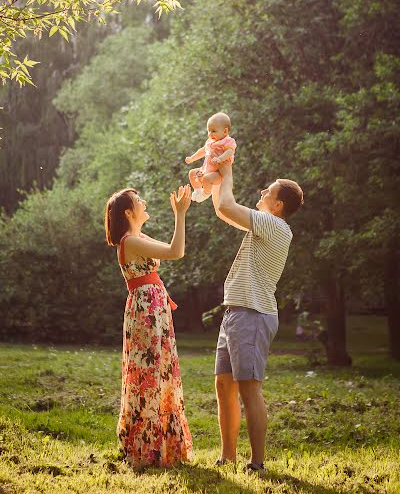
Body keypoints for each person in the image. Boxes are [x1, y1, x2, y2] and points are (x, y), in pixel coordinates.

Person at [211, 163, 303, 473]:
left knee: (249, 389)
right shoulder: (264, 224)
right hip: (236, 312)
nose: (262, 192)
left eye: (269, 190)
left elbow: (226, 204)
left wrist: (228, 168)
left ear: (278, 205)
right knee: (224, 386)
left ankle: (257, 463)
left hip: (253, 313)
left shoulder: (274, 225)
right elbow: (223, 210)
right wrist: (214, 176)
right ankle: (228, 457)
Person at [104, 185, 193, 469]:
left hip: (153, 308)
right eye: (138, 200)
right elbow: (176, 251)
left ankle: (163, 445)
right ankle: (148, 447)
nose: (144, 201)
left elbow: (170, 250)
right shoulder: (129, 241)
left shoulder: (138, 237)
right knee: (148, 373)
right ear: (129, 212)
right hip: (146, 311)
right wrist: (180, 214)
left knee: (158, 371)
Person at [185, 112, 237, 203]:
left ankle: (205, 194)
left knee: (207, 179)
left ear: (225, 131)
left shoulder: (228, 141)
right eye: (208, 131)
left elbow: (230, 151)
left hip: (218, 173)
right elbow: (202, 150)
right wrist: (192, 158)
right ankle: (198, 190)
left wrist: (220, 158)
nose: (210, 134)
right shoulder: (210, 142)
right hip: (206, 169)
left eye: (213, 131)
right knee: (192, 173)